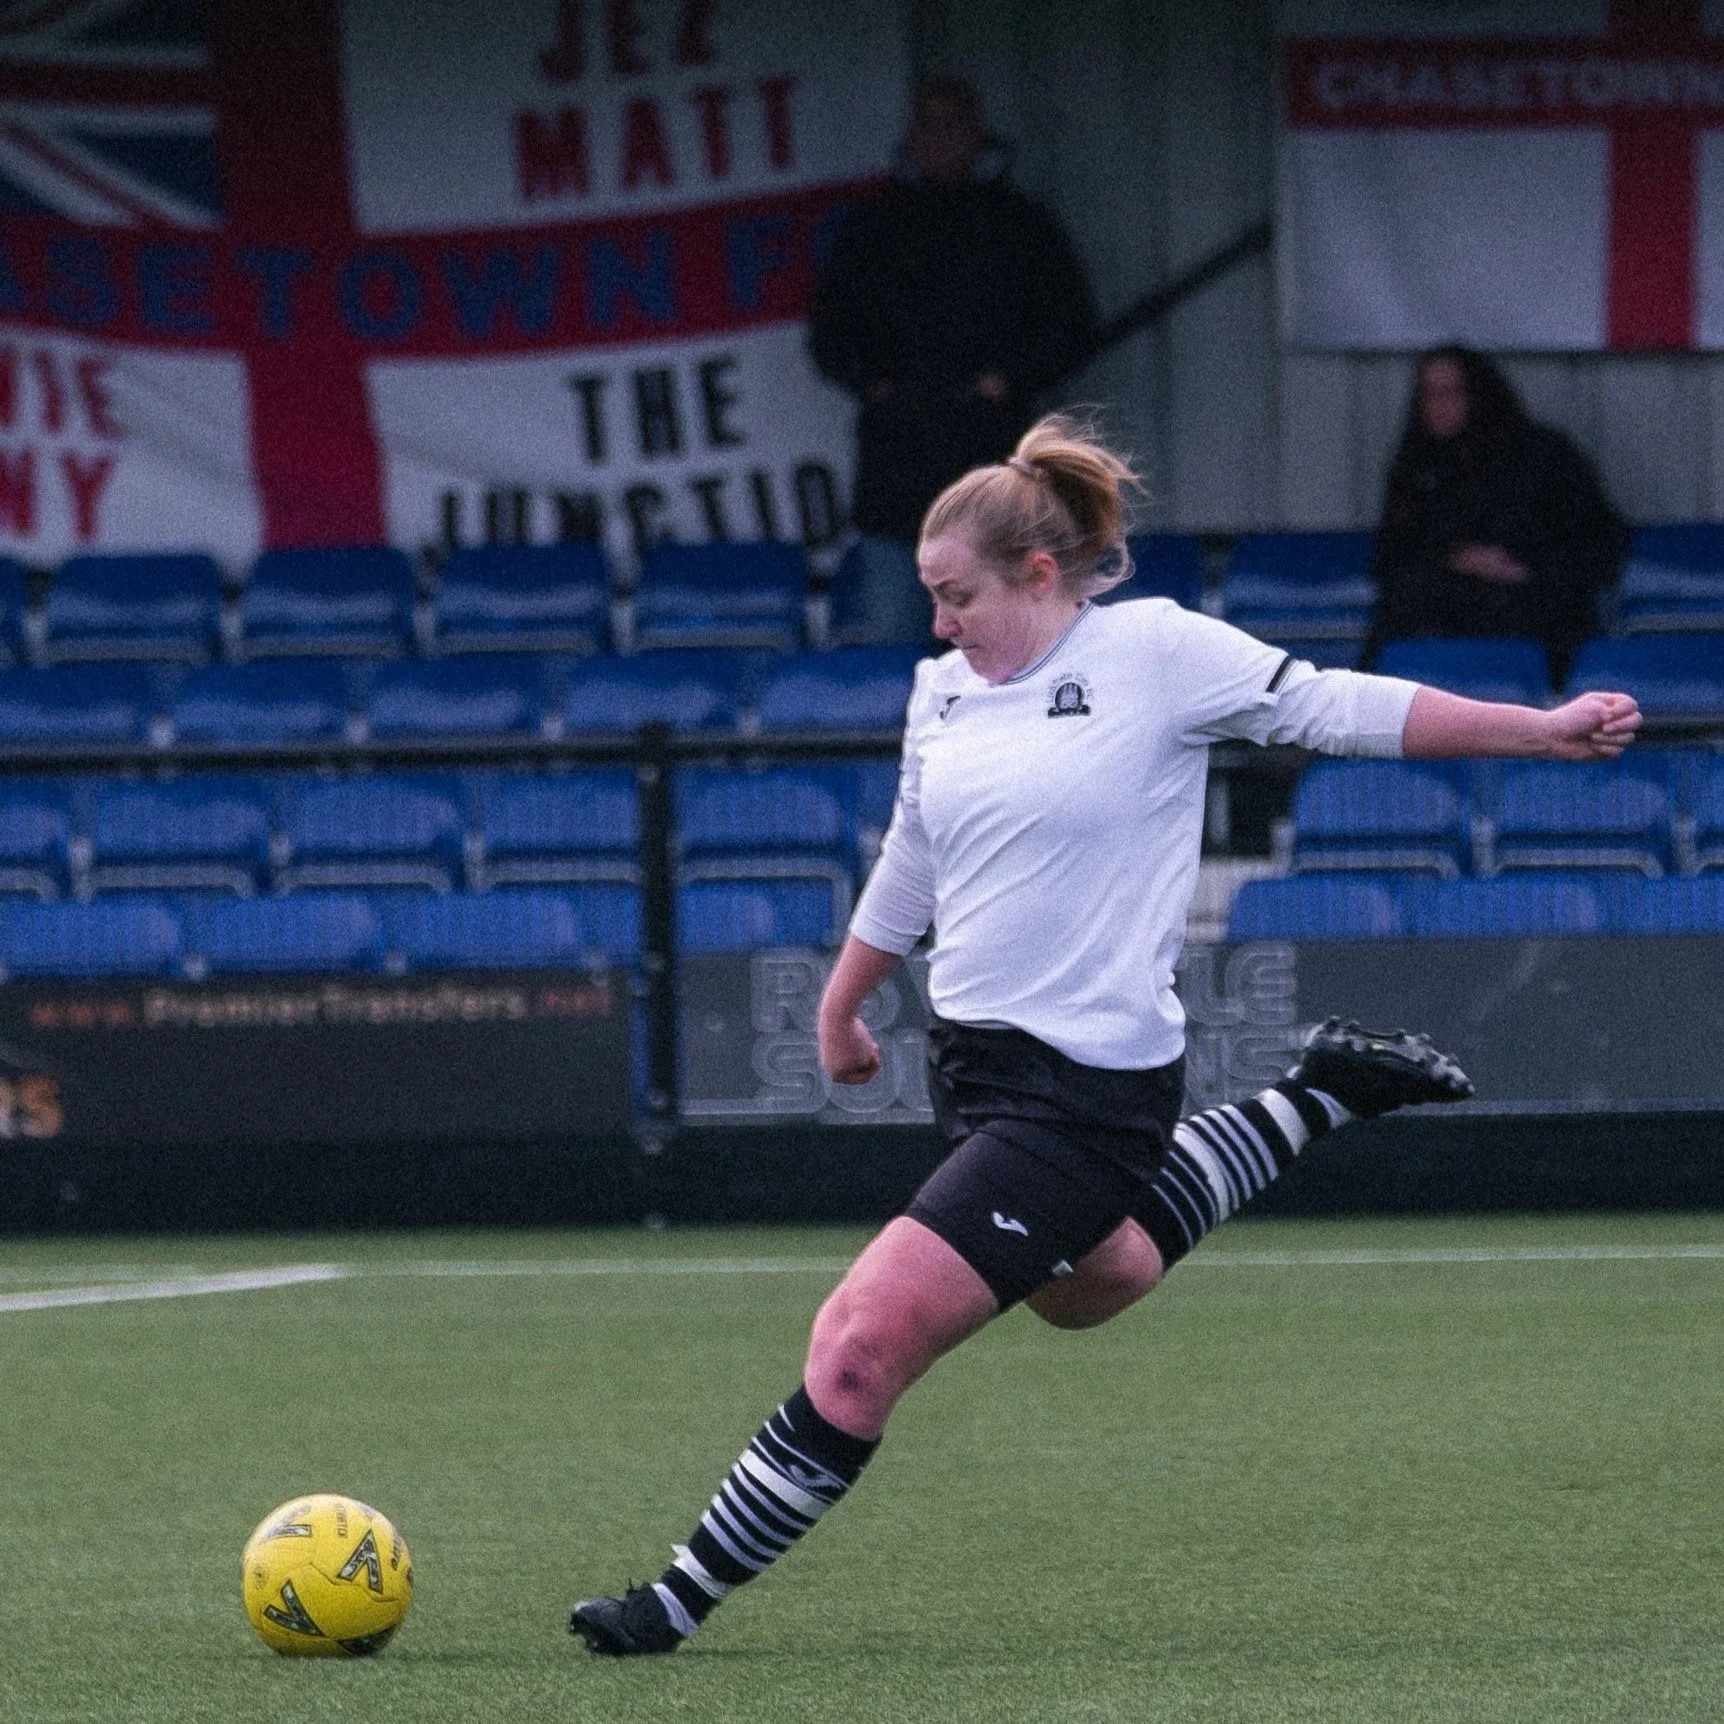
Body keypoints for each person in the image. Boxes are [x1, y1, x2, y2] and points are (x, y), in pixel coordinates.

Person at [570, 416, 1642, 1657]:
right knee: (1099, 1280)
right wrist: (840, 998)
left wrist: (1539, 725)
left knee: (860, 1344)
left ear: (1037, 574)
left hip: (1087, 1088)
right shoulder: (941, 690)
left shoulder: (1152, 652)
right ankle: (1320, 1090)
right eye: (928, 598)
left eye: (954, 594)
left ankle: (674, 1598)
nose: (937, 624)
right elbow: (914, 855)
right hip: (970, 1067)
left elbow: (1330, 705)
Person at [808, 77, 1097, 644]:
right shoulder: (872, 230)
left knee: (1000, 654)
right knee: (899, 658)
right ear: (910, 138)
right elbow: (829, 331)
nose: (938, 140)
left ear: (977, 135)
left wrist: (1009, 379)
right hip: (896, 478)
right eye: (927, 126)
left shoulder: (1022, 225)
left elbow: (1071, 323)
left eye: (952, 126)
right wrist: (875, 383)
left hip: (993, 469)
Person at [1362, 345, 1630, 685]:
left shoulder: (1543, 456)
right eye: (1430, 394)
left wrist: (1523, 569)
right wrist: (1454, 558)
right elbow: (1390, 557)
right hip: (1444, 610)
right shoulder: (1415, 466)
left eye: (1452, 392)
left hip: (1534, 606)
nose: (1440, 405)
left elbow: (1600, 542)